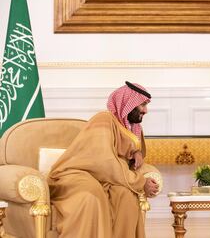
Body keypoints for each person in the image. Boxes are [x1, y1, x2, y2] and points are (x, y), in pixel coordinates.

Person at [48, 81, 160, 238]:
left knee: (127, 197)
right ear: (128, 103)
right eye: (142, 105)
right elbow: (105, 163)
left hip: (105, 178)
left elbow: (126, 152)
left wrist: (137, 152)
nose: (145, 110)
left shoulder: (132, 128)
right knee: (92, 197)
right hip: (78, 174)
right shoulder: (104, 119)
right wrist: (140, 182)